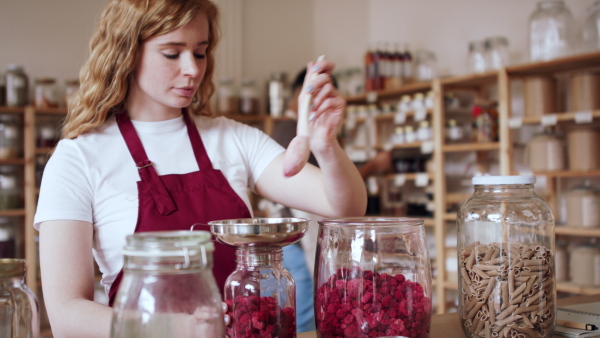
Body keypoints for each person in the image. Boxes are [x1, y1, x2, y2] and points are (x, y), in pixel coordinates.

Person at [34, 0, 367, 337]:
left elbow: (344, 206)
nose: (192, 69)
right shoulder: (77, 158)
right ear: (127, 52)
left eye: (200, 52)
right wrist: (176, 328)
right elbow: (66, 315)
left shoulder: (233, 138)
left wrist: (326, 147)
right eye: (172, 53)